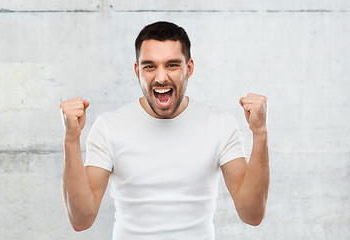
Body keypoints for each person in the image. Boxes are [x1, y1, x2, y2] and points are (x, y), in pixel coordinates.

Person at [60, 21, 269, 239]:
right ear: (137, 70)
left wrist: (260, 133)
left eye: (172, 65)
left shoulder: (220, 125)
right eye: (150, 66)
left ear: (189, 68)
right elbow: (81, 220)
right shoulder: (109, 127)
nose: (161, 78)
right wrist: (71, 139)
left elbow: (251, 214)